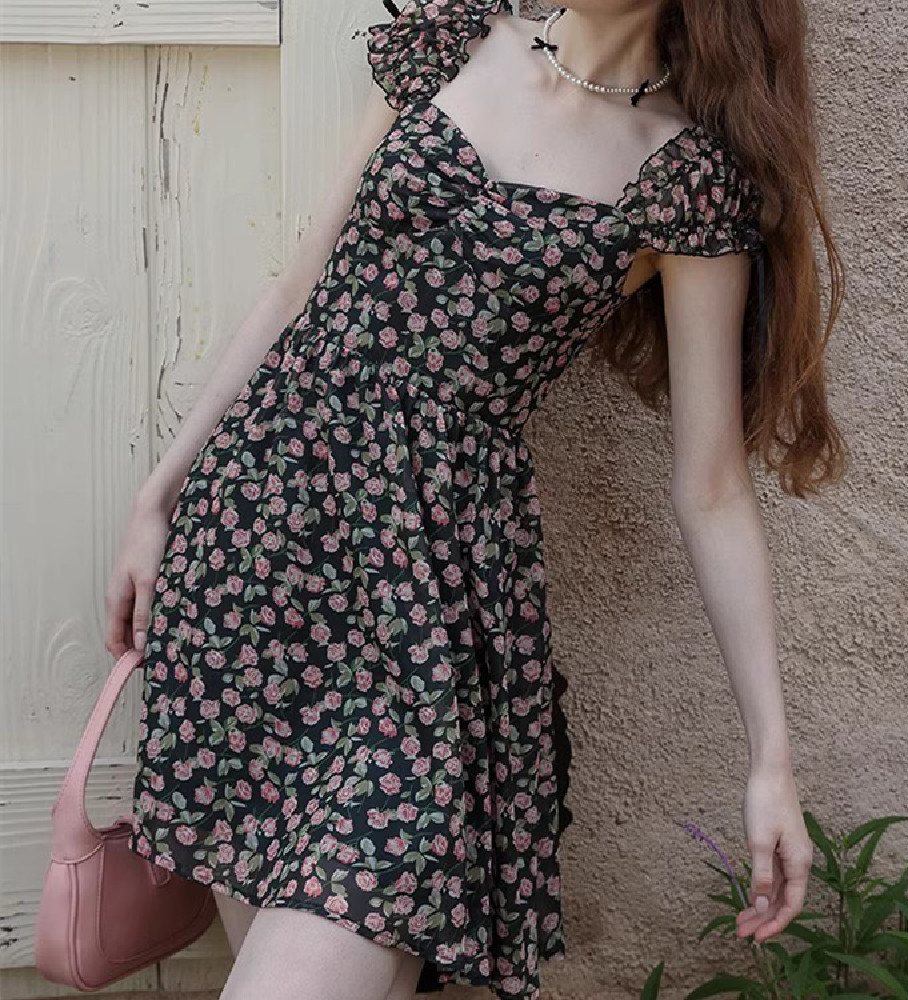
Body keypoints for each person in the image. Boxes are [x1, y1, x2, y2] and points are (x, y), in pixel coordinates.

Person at [105, 1, 846, 998]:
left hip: (428, 618)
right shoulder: (450, 40)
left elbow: (710, 486)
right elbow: (297, 290)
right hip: (254, 555)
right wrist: (160, 494)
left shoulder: (682, 179)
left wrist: (771, 760)